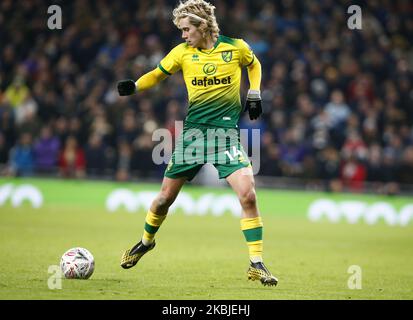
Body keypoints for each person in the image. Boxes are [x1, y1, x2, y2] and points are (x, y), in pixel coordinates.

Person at [117, 0, 277, 286]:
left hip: (225, 135)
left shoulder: (236, 47)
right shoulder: (182, 53)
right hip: (193, 135)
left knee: (248, 196)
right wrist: (135, 86)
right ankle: (145, 241)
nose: (183, 34)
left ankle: (257, 264)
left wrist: (254, 93)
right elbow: (157, 74)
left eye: (186, 29)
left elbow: (255, 65)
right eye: (181, 30)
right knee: (164, 199)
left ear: (202, 27)